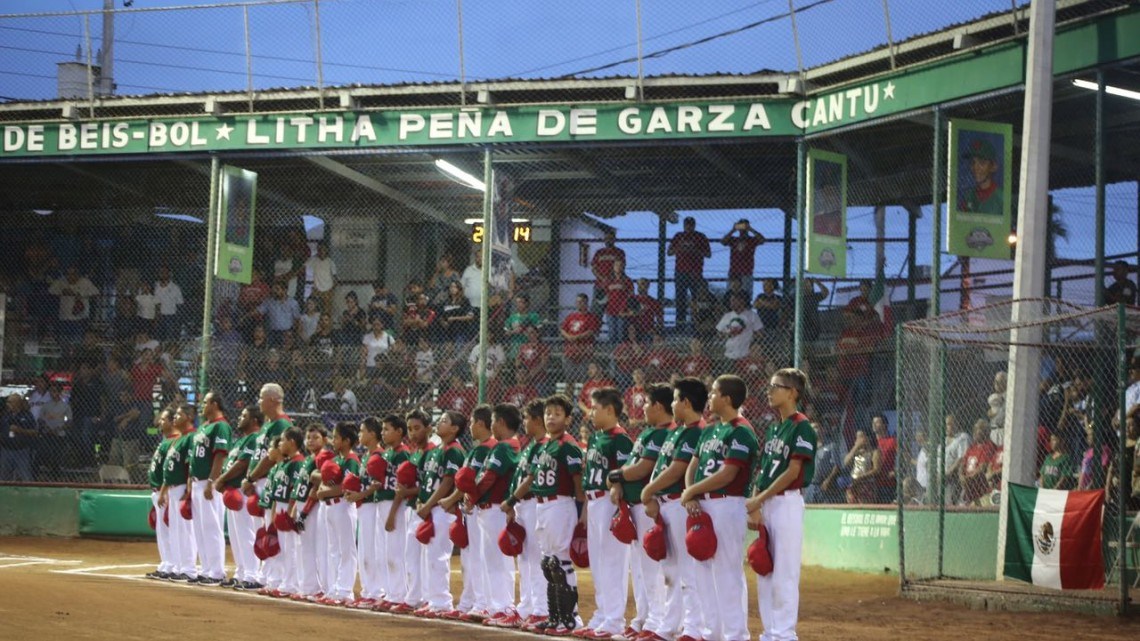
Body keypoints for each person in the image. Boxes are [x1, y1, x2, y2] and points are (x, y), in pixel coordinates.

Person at [680, 374, 758, 641]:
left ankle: (735, 635)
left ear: (727, 398)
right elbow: (693, 466)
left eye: (714, 393)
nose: (710, 397)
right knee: (702, 570)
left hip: (728, 503)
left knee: (727, 572)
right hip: (702, 504)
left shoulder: (741, 431)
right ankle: (711, 632)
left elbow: (728, 473)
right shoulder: (709, 430)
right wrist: (691, 494)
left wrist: (691, 491)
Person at [746, 368, 815, 641]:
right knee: (765, 568)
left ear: (793, 392)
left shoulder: (802, 426)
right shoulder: (774, 428)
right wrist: (756, 503)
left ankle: (784, 634)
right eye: (770, 386)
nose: (770, 391)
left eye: (777, 386)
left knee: (785, 572)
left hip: (787, 503)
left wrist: (759, 499)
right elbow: (764, 470)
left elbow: (793, 472)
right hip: (767, 502)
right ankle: (769, 632)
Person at [640, 377, 707, 641]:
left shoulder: (696, 431)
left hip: (681, 504)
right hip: (666, 504)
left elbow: (678, 469)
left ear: (686, 402)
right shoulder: (678, 431)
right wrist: (653, 494)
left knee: (688, 571)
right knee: (671, 571)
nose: (672, 404)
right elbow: (663, 466)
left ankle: (693, 627)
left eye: (676, 399)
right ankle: (670, 626)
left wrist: (648, 491)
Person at [612, 383, 672, 641]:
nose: (643, 408)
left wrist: (615, 475)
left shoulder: (663, 434)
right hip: (636, 506)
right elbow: (630, 466)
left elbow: (642, 469)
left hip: (651, 506)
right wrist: (617, 480)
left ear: (658, 406)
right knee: (639, 568)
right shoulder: (648, 433)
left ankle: (657, 620)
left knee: (652, 568)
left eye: (647, 403)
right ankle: (643, 618)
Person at [528, 394, 586, 635]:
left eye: (557, 414)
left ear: (568, 419)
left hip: (560, 504)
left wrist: (582, 513)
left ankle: (571, 619)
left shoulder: (568, 445)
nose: (551, 417)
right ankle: (555, 616)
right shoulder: (546, 445)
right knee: (548, 563)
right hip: (542, 506)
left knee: (560, 563)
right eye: (548, 413)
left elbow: (578, 482)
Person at [580, 388, 634, 640]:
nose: (591, 413)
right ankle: (602, 614)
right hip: (593, 502)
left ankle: (614, 619)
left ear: (610, 410)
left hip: (608, 501)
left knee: (612, 562)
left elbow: (624, 473)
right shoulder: (595, 438)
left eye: (595, 408)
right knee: (599, 562)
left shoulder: (620, 439)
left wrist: (618, 491)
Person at [440, 406, 499, 621]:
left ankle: (481, 602)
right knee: (470, 556)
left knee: (477, 557)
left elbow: (474, 481)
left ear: (481, 424)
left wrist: (453, 499)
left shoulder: (486, 449)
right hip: (472, 506)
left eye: (473, 422)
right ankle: (469, 601)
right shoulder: (477, 449)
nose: (470, 426)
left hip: (479, 507)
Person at [467, 403, 523, 626]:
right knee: (491, 560)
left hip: (496, 508)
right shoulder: (509, 445)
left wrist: (472, 495)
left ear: (500, 422)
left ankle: (504, 606)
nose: (491, 426)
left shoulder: (504, 447)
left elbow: (489, 477)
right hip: (491, 508)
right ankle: (495, 605)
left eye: (492, 422)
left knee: (498, 560)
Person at [412, 410, 467, 619]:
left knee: (439, 556)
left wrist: (428, 505)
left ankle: (442, 601)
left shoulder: (454, 451)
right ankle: (433, 599)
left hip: (443, 509)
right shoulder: (437, 450)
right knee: (430, 556)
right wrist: (423, 502)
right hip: (431, 508)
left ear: (454, 428)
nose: (439, 422)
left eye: (444, 421)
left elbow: (448, 482)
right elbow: (427, 481)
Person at [501, 399, 550, 630]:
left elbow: (531, 480)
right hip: (523, 505)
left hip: (533, 504)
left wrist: (512, 500)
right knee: (525, 559)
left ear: (538, 420)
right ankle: (527, 607)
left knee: (535, 558)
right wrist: (514, 504)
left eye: (527, 418)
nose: (524, 422)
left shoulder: (543, 445)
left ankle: (541, 609)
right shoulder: (531, 445)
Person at [212, 405, 263, 590]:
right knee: (236, 536)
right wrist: (224, 481)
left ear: (254, 420)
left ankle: (251, 574)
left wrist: (221, 479)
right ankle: (241, 572)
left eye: (244, 415)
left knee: (246, 534)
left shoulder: (254, 438)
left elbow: (243, 464)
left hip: (244, 490)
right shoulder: (241, 440)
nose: (240, 418)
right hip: (233, 491)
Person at [186, 392, 232, 585]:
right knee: (200, 529)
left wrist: (212, 481)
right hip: (197, 482)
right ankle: (206, 569)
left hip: (208, 482)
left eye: (205, 402)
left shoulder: (221, 426)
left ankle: (217, 571)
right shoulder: (204, 426)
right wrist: (190, 481)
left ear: (215, 404)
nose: (202, 405)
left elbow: (220, 455)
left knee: (212, 528)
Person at [313, 421, 361, 605]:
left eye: (336, 437)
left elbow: (348, 486)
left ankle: (345, 591)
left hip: (343, 505)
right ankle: (335, 588)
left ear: (346, 441)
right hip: (331, 507)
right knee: (333, 550)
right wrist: (324, 490)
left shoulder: (351, 460)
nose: (333, 441)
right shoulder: (338, 459)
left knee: (346, 550)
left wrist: (324, 492)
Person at [157, 403, 198, 582]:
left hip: (182, 487)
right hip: (173, 487)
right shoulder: (179, 438)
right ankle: (179, 566)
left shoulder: (191, 437)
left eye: (179, 415)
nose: (175, 418)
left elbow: (190, 465)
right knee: (176, 530)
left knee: (185, 530)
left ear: (189, 417)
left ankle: (188, 568)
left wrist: (188, 489)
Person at [291, 422, 330, 599]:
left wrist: (305, 512)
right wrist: (295, 509)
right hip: (303, 504)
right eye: (308, 437)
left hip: (313, 507)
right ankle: (308, 586)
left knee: (314, 548)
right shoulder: (309, 458)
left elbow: (316, 487)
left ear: (325, 440)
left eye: (316, 437)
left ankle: (315, 587)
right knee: (304, 547)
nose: (311, 440)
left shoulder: (323, 457)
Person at [145, 407, 180, 580]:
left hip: (165, 491)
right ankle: (166, 563)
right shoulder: (166, 441)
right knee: (162, 531)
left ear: (173, 422)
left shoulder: (175, 441)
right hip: (158, 491)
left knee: (169, 530)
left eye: (164, 419)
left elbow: (170, 470)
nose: (160, 422)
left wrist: (164, 492)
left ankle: (172, 564)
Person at [668, 217, 711, 327]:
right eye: (687, 225)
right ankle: (680, 324)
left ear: (694, 225)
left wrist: (695, 250)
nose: (688, 227)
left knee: (697, 298)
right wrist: (680, 248)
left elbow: (708, 254)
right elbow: (669, 252)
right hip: (680, 271)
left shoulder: (700, 237)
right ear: (684, 225)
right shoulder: (678, 236)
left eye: (691, 225)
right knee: (680, 298)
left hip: (695, 272)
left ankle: (696, 323)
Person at [49, 267, 100, 349]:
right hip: (64, 318)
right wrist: (62, 291)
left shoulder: (85, 282)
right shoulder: (62, 281)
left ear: (77, 274)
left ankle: (77, 353)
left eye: (73, 274)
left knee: (78, 343)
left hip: (80, 319)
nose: (70, 276)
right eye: (68, 274)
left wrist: (81, 294)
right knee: (64, 343)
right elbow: (51, 290)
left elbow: (96, 293)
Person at [561, 293, 601, 383]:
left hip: (584, 350)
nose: (578, 304)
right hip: (570, 350)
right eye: (577, 302)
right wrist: (569, 336)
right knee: (570, 378)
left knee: (584, 378)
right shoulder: (571, 316)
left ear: (586, 303)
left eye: (581, 302)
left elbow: (591, 331)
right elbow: (563, 329)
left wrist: (577, 337)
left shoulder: (591, 317)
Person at [721, 219, 765, 300]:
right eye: (741, 225)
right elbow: (723, 242)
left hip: (746, 271)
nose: (742, 229)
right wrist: (733, 230)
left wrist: (750, 229)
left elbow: (762, 240)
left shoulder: (751, 240)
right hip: (734, 271)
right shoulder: (734, 239)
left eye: (744, 225)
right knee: (730, 295)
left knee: (746, 296)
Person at [715, 293, 762, 366]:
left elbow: (760, 333)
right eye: (731, 301)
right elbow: (719, 332)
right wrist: (728, 334)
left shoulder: (752, 315)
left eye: (734, 300)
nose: (731, 303)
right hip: (729, 353)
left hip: (746, 353)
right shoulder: (727, 316)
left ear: (741, 301)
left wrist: (753, 341)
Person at [958, 138, 1003, 215]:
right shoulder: (969, 196)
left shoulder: (1002, 198)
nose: (976, 167)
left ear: (994, 166)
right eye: (973, 162)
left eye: (982, 162)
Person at [0, 394, 38, 481]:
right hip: (6, 450)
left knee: (25, 476)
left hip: (21, 451)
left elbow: (34, 432)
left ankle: (29, 489)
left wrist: (20, 430)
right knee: (4, 476)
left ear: (17, 403)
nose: (7, 404)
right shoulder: (5, 415)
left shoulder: (27, 415)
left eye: (10, 402)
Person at [805, 418, 843, 504]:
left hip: (823, 486)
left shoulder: (831, 446)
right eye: (812, 428)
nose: (815, 430)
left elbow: (837, 466)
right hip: (810, 486)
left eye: (817, 427)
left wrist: (828, 480)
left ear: (822, 429)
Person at [959, 419, 996, 505]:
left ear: (986, 432)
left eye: (977, 429)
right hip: (967, 486)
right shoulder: (972, 448)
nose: (974, 432)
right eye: (974, 429)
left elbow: (982, 467)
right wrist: (961, 476)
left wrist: (968, 478)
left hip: (980, 488)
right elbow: (962, 464)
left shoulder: (989, 446)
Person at [37, 383, 71, 477]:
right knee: (47, 453)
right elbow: (40, 419)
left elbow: (69, 421)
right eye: (51, 391)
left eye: (55, 391)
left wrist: (59, 428)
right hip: (48, 433)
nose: (53, 393)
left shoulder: (65, 406)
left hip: (59, 434)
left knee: (58, 454)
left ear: (59, 392)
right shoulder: (46, 405)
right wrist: (47, 428)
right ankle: (47, 469)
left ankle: (56, 473)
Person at [256, 283, 301, 347]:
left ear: (285, 290)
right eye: (274, 289)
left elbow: (297, 319)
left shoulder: (293, 303)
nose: (275, 291)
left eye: (277, 289)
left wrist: (294, 332)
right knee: (272, 350)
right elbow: (258, 311)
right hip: (272, 332)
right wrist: (244, 316)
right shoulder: (269, 301)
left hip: (286, 332)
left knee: (284, 349)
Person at [844, 428, 881, 504]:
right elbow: (846, 462)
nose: (858, 440)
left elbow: (876, 469)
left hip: (867, 483)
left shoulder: (874, 452)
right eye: (857, 437)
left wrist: (861, 477)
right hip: (853, 484)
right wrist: (855, 447)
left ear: (868, 438)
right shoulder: (856, 452)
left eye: (861, 437)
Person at [603, 259, 636, 344]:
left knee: (621, 333)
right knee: (612, 333)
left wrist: (626, 308)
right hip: (610, 309)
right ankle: (613, 350)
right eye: (617, 265)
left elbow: (631, 296)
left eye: (621, 265)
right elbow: (603, 295)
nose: (619, 267)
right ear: (613, 267)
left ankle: (621, 350)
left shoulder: (627, 281)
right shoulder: (608, 280)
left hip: (622, 310)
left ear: (624, 267)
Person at [153, 266, 185, 341]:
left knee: (169, 339)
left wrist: (178, 320)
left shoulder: (175, 288)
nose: (163, 274)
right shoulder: (155, 286)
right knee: (158, 339)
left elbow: (180, 303)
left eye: (165, 272)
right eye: (161, 272)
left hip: (170, 317)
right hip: (158, 316)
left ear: (169, 274)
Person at [306, 243, 337, 314]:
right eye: (320, 249)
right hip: (317, 289)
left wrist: (332, 289)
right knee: (314, 309)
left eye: (324, 249)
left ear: (327, 251)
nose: (322, 251)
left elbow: (335, 277)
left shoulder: (330, 262)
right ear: (317, 251)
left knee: (327, 310)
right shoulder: (314, 260)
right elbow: (304, 266)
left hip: (328, 289)